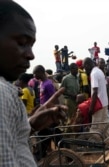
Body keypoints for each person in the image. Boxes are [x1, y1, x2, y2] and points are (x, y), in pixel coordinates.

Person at [0, 1, 67, 166]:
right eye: (22, 43)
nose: (30, 55)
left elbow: (10, 142)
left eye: (31, 45)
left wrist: (31, 125)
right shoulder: (2, 94)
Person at [82, 57, 109, 146]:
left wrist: (91, 108)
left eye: (84, 67)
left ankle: (98, 144)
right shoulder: (100, 71)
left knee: (94, 129)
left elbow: (95, 92)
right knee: (107, 126)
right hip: (104, 103)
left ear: (87, 65)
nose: (84, 69)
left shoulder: (93, 74)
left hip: (98, 105)